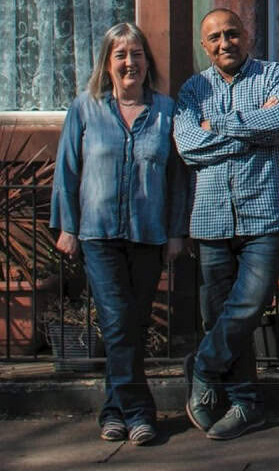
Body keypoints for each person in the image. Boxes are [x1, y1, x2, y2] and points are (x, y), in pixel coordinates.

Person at [50, 23, 187, 446]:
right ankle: (141, 413)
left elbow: (177, 178)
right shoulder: (85, 109)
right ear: (107, 64)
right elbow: (67, 170)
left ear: (147, 61)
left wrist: (176, 233)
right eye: (121, 55)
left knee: (134, 323)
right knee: (116, 321)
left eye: (137, 54)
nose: (130, 63)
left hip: (148, 234)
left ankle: (113, 412)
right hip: (98, 234)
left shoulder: (165, 111)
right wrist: (67, 226)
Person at [174, 8, 279, 440]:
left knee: (248, 304)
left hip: (267, 214)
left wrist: (218, 125)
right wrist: (248, 134)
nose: (225, 42)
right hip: (211, 219)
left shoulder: (273, 76)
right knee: (221, 315)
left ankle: (203, 367)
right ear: (204, 45)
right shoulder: (192, 90)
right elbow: (189, 146)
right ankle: (246, 404)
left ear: (246, 36)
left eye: (231, 33)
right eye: (215, 37)